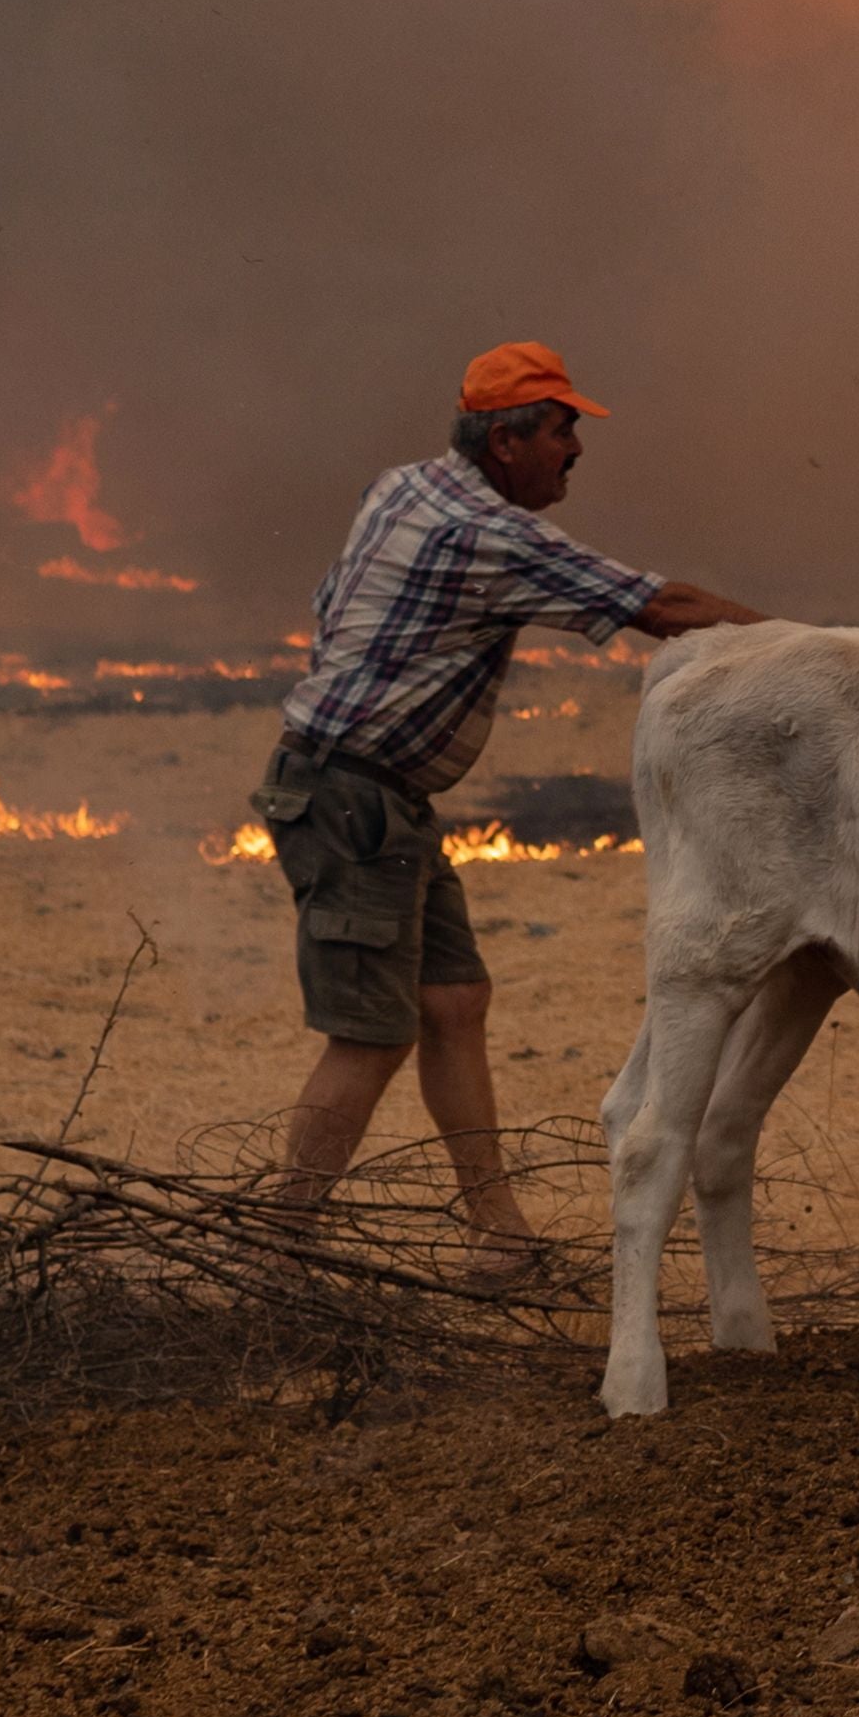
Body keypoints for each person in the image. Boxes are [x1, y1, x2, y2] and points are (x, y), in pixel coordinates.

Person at [259, 342, 766, 1252]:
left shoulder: (402, 488)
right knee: (371, 1035)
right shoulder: (496, 535)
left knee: (454, 1004)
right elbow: (655, 605)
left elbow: (330, 603)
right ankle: (276, 1239)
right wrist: (811, 645)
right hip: (354, 800)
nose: (576, 450)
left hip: (373, 795)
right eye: (562, 429)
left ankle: (498, 1236)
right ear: (507, 441)